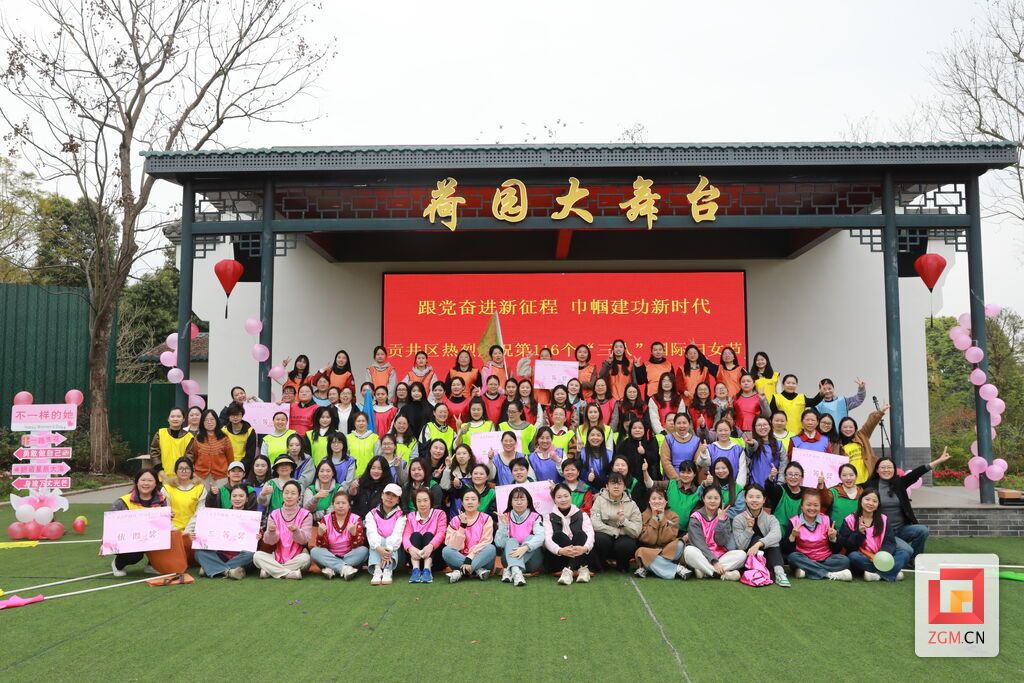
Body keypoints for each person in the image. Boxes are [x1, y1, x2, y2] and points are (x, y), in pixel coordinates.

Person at [867, 448, 951, 560]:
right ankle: (900, 556)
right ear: (877, 470)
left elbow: (917, 473)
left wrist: (938, 461)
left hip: (901, 529)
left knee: (922, 530)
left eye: (889, 467)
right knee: (907, 550)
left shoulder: (900, 482)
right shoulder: (870, 485)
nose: (886, 470)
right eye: (882, 467)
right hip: (883, 532)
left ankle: (914, 561)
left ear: (894, 470)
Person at [838, 488, 910, 582]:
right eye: (867, 499)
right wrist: (859, 533)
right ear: (861, 500)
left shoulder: (883, 519)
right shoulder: (850, 519)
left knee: (904, 553)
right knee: (853, 557)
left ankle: (877, 575)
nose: (870, 503)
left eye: (875, 501)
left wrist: (881, 556)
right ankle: (892, 572)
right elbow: (847, 545)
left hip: (881, 555)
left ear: (878, 504)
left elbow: (890, 542)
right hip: (863, 556)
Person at [109, 469, 170, 577]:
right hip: (130, 539)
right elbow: (112, 526)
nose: (146, 483)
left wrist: (167, 518)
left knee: (171, 537)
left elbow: (163, 526)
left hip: (151, 536)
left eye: (150, 480)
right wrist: (105, 543)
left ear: (155, 483)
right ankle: (118, 564)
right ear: (137, 482)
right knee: (135, 555)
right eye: (143, 480)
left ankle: (152, 565)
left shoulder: (162, 500)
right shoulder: (122, 501)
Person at [781, 489, 851, 581]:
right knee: (792, 558)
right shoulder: (794, 522)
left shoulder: (827, 520)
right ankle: (828, 574)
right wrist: (792, 536)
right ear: (802, 506)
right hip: (803, 558)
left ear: (820, 506)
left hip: (825, 559)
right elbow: (786, 550)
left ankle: (808, 570)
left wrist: (833, 538)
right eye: (808, 505)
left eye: (816, 505)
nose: (812, 508)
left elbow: (836, 550)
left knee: (845, 560)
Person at [683, 485, 746, 580]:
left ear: (720, 500)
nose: (712, 501)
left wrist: (721, 522)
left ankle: (705, 571)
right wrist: (714, 562)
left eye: (716, 498)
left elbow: (721, 542)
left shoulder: (724, 517)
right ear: (703, 499)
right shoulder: (696, 517)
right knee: (689, 551)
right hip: (701, 554)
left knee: (741, 555)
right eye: (709, 498)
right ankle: (722, 574)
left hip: (720, 555)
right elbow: (699, 544)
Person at [194, 484, 256, 580]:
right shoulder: (221, 516)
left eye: (241, 496)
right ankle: (228, 572)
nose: (237, 499)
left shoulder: (253, 518)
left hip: (241, 556)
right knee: (199, 552)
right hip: (223, 555)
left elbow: (253, 544)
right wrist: (199, 536)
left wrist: (258, 537)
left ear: (247, 499)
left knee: (251, 555)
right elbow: (211, 534)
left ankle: (211, 568)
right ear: (230, 498)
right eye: (234, 496)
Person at [732, 483, 789, 587]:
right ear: (745, 499)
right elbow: (740, 546)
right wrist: (748, 529)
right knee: (756, 537)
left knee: (773, 543)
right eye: (751, 497)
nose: (754, 500)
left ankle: (779, 573)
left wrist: (758, 544)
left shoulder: (771, 519)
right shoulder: (738, 519)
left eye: (758, 497)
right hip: (749, 558)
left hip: (768, 556)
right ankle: (764, 572)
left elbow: (777, 535)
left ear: (764, 500)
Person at [254, 480, 312, 579]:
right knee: (257, 556)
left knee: (306, 558)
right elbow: (269, 541)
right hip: (276, 557)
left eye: (293, 493)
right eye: (286, 493)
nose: (289, 496)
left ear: (299, 496)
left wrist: (296, 531)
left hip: (297, 558)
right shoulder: (274, 514)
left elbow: (304, 540)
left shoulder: (306, 515)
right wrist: (271, 532)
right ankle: (289, 574)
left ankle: (270, 571)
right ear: (282, 494)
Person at [633, 487, 690, 580]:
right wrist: (654, 518)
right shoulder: (643, 516)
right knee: (640, 552)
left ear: (665, 501)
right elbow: (650, 540)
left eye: (660, 498)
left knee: (679, 544)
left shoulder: (673, 516)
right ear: (649, 502)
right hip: (650, 549)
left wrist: (662, 517)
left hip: (668, 549)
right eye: (653, 498)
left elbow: (665, 539)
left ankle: (647, 566)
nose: (657, 501)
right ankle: (677, 569)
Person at [590, 472, 642, 572]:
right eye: (613, 483)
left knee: (626, 545)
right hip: (606, 534)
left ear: (624, 487)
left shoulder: (632, 504)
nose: (616, 486)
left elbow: (637, 531)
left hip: (624, 536)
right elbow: (594, 523)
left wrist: (624, 521)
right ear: (607, 486)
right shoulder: (600, 500)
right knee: (599, 539)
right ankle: (601, 563)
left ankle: (622, 565)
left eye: (619, 483)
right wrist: (615, 531)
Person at [544, 483, 595, 585]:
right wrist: (560, 550)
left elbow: (590, 534)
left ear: (571, 496)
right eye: (559, 497)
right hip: (560, 558)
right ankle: (582, 570)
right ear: (554, 499)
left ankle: (569, 570)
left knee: (581, 534)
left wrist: (585, 548)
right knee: (558, 535)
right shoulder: (548, 517)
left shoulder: (582, 515)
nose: (563, 500)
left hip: (581, 552)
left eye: (566, 496)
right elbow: (547, 539)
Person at [310, 490, 368, 580]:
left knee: (364, 551)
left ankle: (332, 568)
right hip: (329, 555)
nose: (340, 506)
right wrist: (320, 535)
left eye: (344, 503)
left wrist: (354, 534)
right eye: (337, 503)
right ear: (333, 505)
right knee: (315, 551)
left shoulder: (355, 519)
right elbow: (321, 546)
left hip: (349, 555)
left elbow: (358, 544)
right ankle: (345, 569)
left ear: (349, 505)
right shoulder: (326, 519)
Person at [442, 488, 496, 583]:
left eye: (473, 499)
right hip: (458, 559)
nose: (470, 502)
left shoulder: (486, 518)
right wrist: (462, 526)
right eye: (466, 499)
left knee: (491, 548)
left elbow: (485, 541)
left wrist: (469, 558)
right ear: (462, 503)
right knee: (446, 551)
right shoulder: (455, 520)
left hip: (481, 559)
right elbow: (453, 546)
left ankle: (461, 572)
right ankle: (477, 571)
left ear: (479, 503)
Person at [495, 486, 545, 586]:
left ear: (528, 501)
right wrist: (504, 525)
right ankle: (516, 570)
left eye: (522, 499)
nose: (519, 502)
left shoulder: (535, 516)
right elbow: (499, 544)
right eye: (515, 499)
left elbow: (541, 537)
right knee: (511, 541)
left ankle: (512, 569)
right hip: (508, 559)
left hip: (531, 562)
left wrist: (525, 547)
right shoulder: (505, 516)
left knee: (531, 538)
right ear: (511, 502)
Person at [164, 456, 205, 564]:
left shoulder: (200, 488)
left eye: (187, 468)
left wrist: (187, 532)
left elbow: (200, 513)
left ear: (192, 471)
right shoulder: (167, 488)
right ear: (176, 471)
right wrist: (178, 533)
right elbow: (165, 513)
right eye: (181, 468)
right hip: (173, 531)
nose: (184, 471)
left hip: (193, 530)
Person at [364, 482, 406, 585]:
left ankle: (388, 569)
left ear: (398, 500)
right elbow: (371, 533)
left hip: (395, 553)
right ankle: (377, 569)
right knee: (376, 541)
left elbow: (397, 535)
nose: (390, 498)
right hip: (377, 550)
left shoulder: (401, 515)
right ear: (382, 495)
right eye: (387, 494)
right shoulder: (371, 514)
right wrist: (379, 548)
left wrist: (387, 552)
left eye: (394, 496)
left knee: (388, 540)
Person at [403, 488, 447, 583]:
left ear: (431, 501)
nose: (422, 504)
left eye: (425, 500)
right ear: (415, 503)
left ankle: (427, 570)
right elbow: (406, 536)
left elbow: (441, 533)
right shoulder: (411, 516)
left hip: (434, 559)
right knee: (415, 535)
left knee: (428, 535)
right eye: (419, 501)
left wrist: (430, 546)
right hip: (416, 557)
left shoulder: (440, 514)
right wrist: (410, 548)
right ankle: (415, 570)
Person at [836, 404, 888, 484]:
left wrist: (880, 412)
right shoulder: (837, 444)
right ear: (840, 429)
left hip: (869, 478)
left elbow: (871, 423)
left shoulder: (862, 435)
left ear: (855, 428)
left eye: (851, 427)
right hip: (850, 481)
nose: (848, 429)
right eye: (845, 427)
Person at [190, 408, 234, 488]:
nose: (209, 422)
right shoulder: (197, 438)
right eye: (206, 420)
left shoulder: (224, 438)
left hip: (221, 477)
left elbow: (230, 459)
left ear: (217, 421)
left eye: (212, 419)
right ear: (202, 423)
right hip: (200, 476)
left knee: (220, 496)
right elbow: (195, 457)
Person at [149, 407, 194, 481]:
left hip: (182, 478)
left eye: (178, 416)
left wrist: (183, 473)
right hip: (161, 476)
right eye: (172, 416)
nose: (175, 419)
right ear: (168, 419)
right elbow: (154, 453)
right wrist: (160, 472)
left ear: (183, 419)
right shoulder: (160, 434)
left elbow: (189, 458)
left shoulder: (189, 437)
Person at [661, 413, 706, 481]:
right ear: (674, 424)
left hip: (690, 480)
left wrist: (688, 478)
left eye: (684, 423)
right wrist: (677, 479)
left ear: (689, 424)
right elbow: (665, 461)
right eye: (678, 423)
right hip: (671, 481)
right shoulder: (668, 439)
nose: (682, 426)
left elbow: (697, 463)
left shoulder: (696, 441)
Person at [744, 416, 782, 488]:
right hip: (755, 487)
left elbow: (783, 465)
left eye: (765, 424)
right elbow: (751, 448)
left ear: (770, 426)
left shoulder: (779, 444)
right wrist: (752, 444)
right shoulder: (751, 442)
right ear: (754, 428)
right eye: (759, 425)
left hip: (774, 486)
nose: (762, 427)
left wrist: (780, 483)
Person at [767, 462, 807, 528]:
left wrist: (820, 485)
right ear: (785, 477)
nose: (793, 477)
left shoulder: (806, 493)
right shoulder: (780, 490)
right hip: (778, 530)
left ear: (802, 478)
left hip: (799, 530)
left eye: (796, 474)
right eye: (790, 474)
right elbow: (769, 489)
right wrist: (771, 477)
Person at [707, 420, 747, 485]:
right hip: (714, 487)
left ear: (730, 431)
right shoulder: (710, 448)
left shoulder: (738, 449)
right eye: (720, 430)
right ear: (716, 432)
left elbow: (742, 472)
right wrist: (703, 453)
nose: (723, 433)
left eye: (726, 430)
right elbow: (703, 464)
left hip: (734, 487)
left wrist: (738, 488)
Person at [666, 461, 701, 532]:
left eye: (689, 473)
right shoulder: (671, 484)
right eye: (683, 472)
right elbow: (651, 484)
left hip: (684, 532)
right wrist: (645, 471)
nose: (685, 475)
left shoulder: (698, 492)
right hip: (666, 528)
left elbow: (695, 516)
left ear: (694, 474)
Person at [220, 403, 257, 468]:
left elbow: (250, 454)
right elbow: (221, 452)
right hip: (226, 466)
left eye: (237, 414)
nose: (235, 417)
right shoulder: (223, 431)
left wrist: (240, 467)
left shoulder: (250, 431)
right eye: (232, 415)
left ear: (242, 415)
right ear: (228, 416)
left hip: (244, 467)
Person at [577, 426, 614, 491]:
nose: (595, 437)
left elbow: (611, 474)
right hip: (585, 490)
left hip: (605, 490)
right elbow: (578, 471)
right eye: (592, 435)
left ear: (603, 438)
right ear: (587, 437)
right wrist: (587, 475)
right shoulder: (582, 453)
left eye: (598, 435)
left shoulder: (610, 454)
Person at [347, 411, 380, 477]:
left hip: (370, 475)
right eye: (358, 421)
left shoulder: (375, 438)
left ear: (367, 423)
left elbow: (378, 457)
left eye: (363, 421)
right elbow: (346, 458)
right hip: (352, 475)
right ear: (354, 423)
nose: (361, 423)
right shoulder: (348, 438)